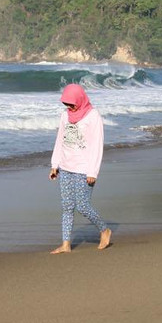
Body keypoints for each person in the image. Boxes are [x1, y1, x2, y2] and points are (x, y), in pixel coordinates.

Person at [49, 83, 112, 254]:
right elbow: (59, 140)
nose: (69, 107)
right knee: (67, 207)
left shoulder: (93, 116)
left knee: (83, 206)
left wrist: (93, 171)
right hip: (65, 166)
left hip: (84, 168)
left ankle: (104, 230)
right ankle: (66, 244)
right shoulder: (65, 116)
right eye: (66, 104)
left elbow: (97, 145)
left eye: (71, 103)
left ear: (80, 99)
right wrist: (55, 165)